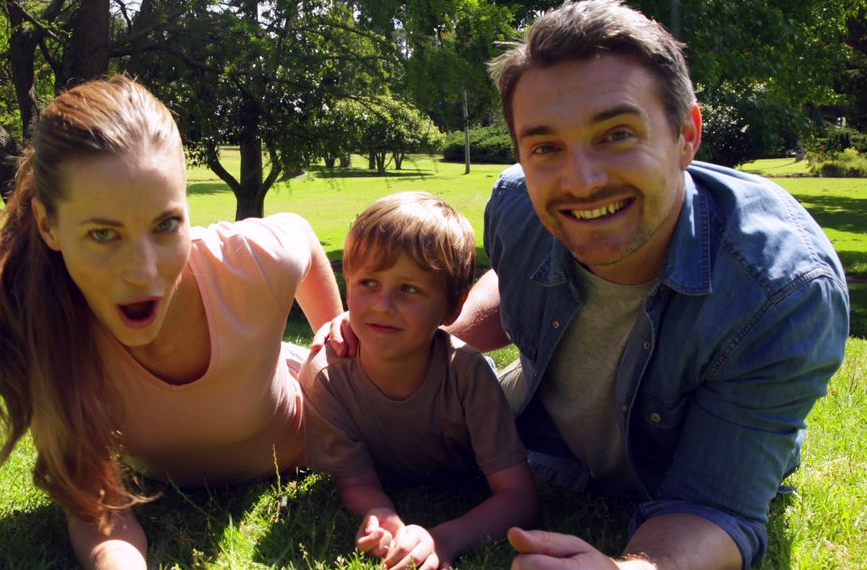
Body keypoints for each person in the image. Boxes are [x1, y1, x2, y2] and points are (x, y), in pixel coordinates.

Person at [320, 2, 850, 569]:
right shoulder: (517, 204)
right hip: (537, 440)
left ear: (686, 133)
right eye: (545, 147)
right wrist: (409, 331)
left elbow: (716, 503)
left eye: (617, 134)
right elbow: (514, 277)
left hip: (667, 478)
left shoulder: (783, 290)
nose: (582, 181)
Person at [0, 76, 343, 570]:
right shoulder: (41, 320)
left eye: (166, 224)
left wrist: (339, 343)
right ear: (48, 226)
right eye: (104, 234)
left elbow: (302, 237)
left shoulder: (248, 263)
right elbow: (97, 503)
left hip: (305, 439)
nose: (143, 271)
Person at [301, 191, 539, 570]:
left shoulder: (468, 374)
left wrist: (443, 539)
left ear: (454, 306)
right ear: (347, 281)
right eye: (368, 283)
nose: (382, 305)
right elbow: (357, 483)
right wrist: (384, 519)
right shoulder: (326, 377)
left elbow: (518, 497)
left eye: (409, 289)